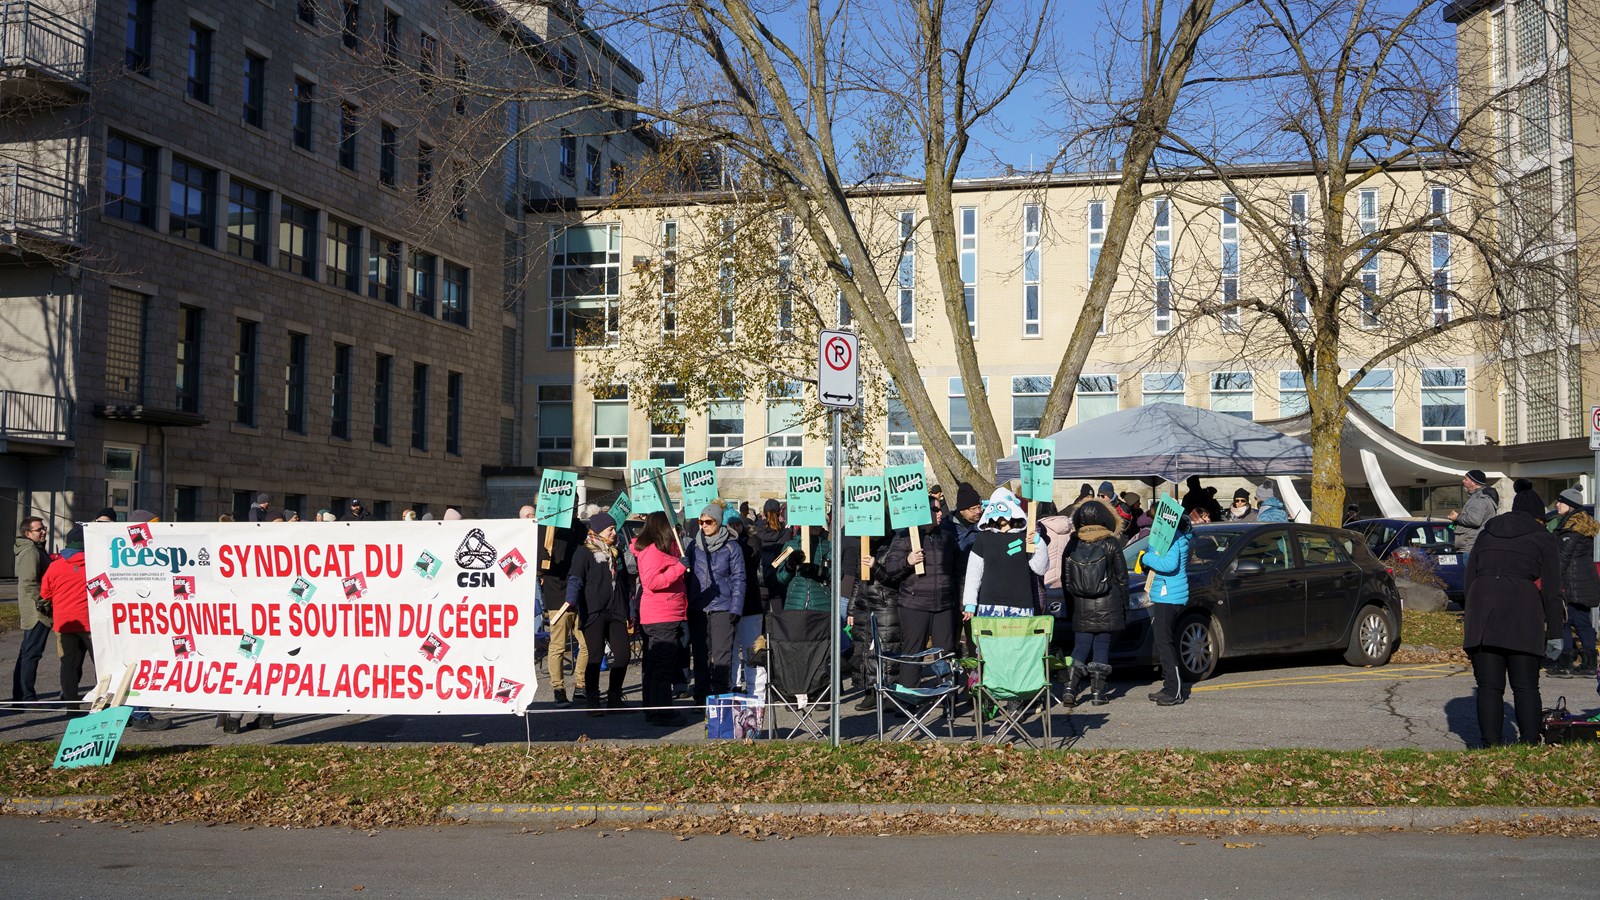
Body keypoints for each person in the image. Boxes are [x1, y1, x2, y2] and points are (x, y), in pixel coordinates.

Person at [1462, 485, 1563, 746]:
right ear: (1538, 516)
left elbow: (1470, 578)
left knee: (1489, 687)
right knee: (1526, 686)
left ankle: (1491, 743)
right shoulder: (1543, 537)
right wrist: (1555, 634)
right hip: (1523, 612)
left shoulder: (1487, 533)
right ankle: (1529, 741)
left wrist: (1470, 621)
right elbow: (1552, 591)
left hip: (1483, 613)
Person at [879, 496, 957, 693]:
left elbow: (958, 571)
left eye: (940, 510)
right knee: (913, 653)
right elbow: (889, 570)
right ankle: (908, 699)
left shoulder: (947, 537)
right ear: (923, 511)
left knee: (945, 654)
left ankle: (947, 698)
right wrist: (908, 560)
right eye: (935, 510)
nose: (940, 514)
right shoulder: (905, 537)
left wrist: (961, 600)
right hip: (914, 605)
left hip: (944, 605)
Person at [1061, 499, 1130, 707]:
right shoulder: (1110, 542)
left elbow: (1066, 579)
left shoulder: (1073, 543)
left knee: (1080, 646)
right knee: (1101, 645)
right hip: (1107, 604)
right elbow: (1122, 578)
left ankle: (1070, 690)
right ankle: (1098, 694)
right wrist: (1124, 606)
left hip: (1081, 605)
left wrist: (1069, 606)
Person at [565, 511, 633, 714]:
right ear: (597, 531)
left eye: (614, 529)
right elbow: (575, 578)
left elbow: (623, 583)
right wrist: (571, 599)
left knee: (622, 655)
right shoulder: (584, 552)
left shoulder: (616, 553)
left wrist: (631, 610)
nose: (614, 532)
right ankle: (593, 698)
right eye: (610, 529)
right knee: (594, 658)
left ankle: (614, 697)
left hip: (616, 611)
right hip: (594, 611)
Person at [684, 503, 745, 701]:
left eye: (708, 521)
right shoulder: (694, 545)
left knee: (721, 656)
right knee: (700, 654)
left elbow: (739, 578)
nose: (704, 525)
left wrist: (736, 607)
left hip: (722, 607)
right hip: (698, 607)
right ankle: (701, 695)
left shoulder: (732, 546)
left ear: (718, 522)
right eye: (701, 522)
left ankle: (720, 698)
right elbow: (688, 577)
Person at [633, 512, 689, 726]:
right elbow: (652, 582)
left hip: (663, 614)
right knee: (662, 667)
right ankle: (662, 712)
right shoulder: (653, 550)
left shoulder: (657, 549)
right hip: (661, 615)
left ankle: (652, 709)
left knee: (654, 666)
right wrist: (679, 568)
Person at [962, 488, 1050, 619]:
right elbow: (973, 572)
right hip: (989, 607)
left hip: (1021, 608)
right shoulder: (984, 537)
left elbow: (1041, 568)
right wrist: (970, 603)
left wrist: (1038, 543)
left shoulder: (1024, 537)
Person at [1141, 515, 1193, 706]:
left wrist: (1147, 557)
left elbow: (1169, 565)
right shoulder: (1175, 537)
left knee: (1165, 642)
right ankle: (1169, 685)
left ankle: (1175, 690)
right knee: (1163, 641)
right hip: (1166, 594)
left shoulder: (1173, 538)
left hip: (1168, 595)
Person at [537, 519, 588, 707]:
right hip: (557, 594)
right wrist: (541, 563)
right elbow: (539, 566)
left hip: (580, 593)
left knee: (586, 643)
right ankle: (558, 689)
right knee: (558, 645)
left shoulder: (579, 527)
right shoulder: (546, 527)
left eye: (575, 503)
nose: (573, 507)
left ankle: (581, 684)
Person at [1552, 488, 1600, 676]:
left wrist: (1551, 580)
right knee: (1582, 622)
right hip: (1583, 583)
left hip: (1571, 584)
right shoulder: (1581, 526)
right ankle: (1589, 665)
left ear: (1570, 505)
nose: (1557, 504)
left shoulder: (1571, 530)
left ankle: (1566, 664)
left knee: (1562, 621)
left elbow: (1561, 559)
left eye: (1560, 501)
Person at [41, 526, 91, 705]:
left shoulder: (55, 566)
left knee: (68, 665)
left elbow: (45, 594)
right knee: (101, 665)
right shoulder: (95, 565)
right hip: (90, 624)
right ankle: (106, 705)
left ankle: (71, 705)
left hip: (64, 623)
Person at [12, 517, 52, 704]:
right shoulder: (30, 551)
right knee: (31, 654)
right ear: (28, 534)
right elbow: (29, 582)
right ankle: (25, 697)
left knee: (27, 653)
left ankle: (21, 696)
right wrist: (43, 603)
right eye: (39, 530)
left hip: (35, 609)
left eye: (44, 528)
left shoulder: (35, 549)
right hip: (37, 613)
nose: (43, 532)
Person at [726, 510, 766, 696]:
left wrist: (733, 541)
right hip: (728, 605)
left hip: (750, 604)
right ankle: (733, 686)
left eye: (737, 524)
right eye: (730, 525)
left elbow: (750, 557)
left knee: (752, 650)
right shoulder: (721, 545)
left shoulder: (751, 542)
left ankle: (756, 690)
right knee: (731, 650)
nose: (735, 528)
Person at [776, 524, 831, 612]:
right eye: (813, 523)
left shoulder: (828, 546)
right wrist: (789, 566)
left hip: (821, 606)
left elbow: (838, 575)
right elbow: (780, 578)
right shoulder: (790, 545)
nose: (818, 526)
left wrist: (817, 570)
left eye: (820, 522)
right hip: (795, 605)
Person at [1449, 469, 1498, 555]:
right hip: (1474, 546)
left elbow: (1474, 520)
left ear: (1473, 482)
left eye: (1466, 479)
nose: (1463, 481)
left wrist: (1457, 517)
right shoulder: (1478, 497)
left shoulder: (1479, 499)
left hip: (1471, 547)